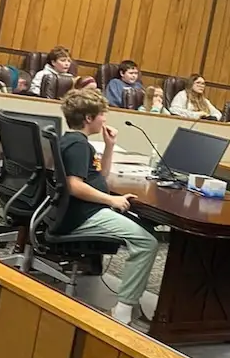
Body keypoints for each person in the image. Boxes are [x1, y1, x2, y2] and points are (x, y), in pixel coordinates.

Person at [57, 88, 159, 323]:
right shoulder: (78, 145)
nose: (105, 119)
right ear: (89, 119)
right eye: (102, 114)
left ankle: (130, 304)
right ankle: (122, 312)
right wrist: (111, 200)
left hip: (84, 210)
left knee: (147, 229)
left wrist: (110, 145)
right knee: (147, 242)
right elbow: (75, 186)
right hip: (84, 214)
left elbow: (99, 175)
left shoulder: (75, 141)